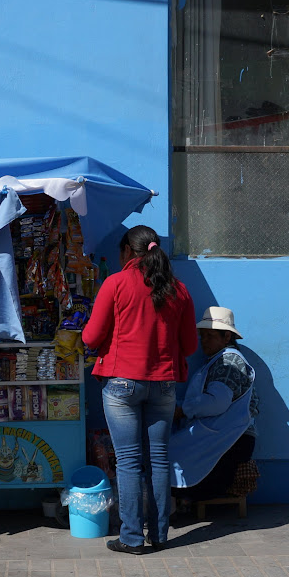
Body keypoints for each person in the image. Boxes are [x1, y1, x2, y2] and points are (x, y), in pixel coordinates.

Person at [82, 225, 197, 554]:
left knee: (129, 462)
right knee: (159, 460)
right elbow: (190, 345)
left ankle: (132, 538)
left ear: (126, 252)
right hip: (163, 385)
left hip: (121, 383)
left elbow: (91, 337)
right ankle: (159, 535)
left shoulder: (116, 283)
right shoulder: (178, 290)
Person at [169, 306, 259, 510]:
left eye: (210, 336)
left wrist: (182, 410)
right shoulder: (217, 361)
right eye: (202, 336)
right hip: (221, 434)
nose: (204, 341)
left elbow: (216, 402)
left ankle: (178, 501)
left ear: (226, 336)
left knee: (170, 455)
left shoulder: (229, 361)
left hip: (233, 439)